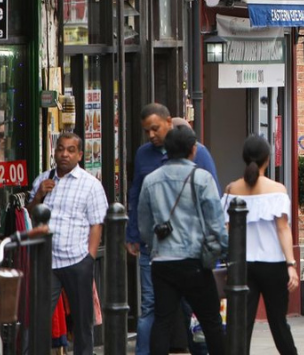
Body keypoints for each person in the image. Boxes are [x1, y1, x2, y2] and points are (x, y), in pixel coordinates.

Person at [127, 104, 220, 355]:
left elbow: (145, 219)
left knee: (170, 316)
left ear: (168, 123)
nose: (150, 135)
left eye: (154, 128)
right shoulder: (147, 157)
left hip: (167, 256)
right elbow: (215, 217)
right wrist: (218, 249)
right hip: (184, 255)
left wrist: (150, 240)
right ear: (191, 150)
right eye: (147, 130)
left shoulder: (158, 175)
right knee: (206, 318)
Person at [30, 132, 108, 355]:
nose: (64, 154)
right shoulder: (43, 179)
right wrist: (37, 197)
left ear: (80, 155)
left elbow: (96, 224)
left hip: (76, 259)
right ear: (54, 152)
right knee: (40, 319)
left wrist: (89, 258)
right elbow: (29, 215)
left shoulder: (91, 185)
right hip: (47, 261)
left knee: (83, 322)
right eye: (60, 149)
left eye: (70, 150)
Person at [224, 136, 299, 355]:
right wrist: (291, 264)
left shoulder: (232, 189)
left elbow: (227, 230)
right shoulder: (277, 189)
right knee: (278, 322)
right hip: (273, 263)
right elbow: (283, 228)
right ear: (268, 159)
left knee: (241, 322)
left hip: (242, 265)